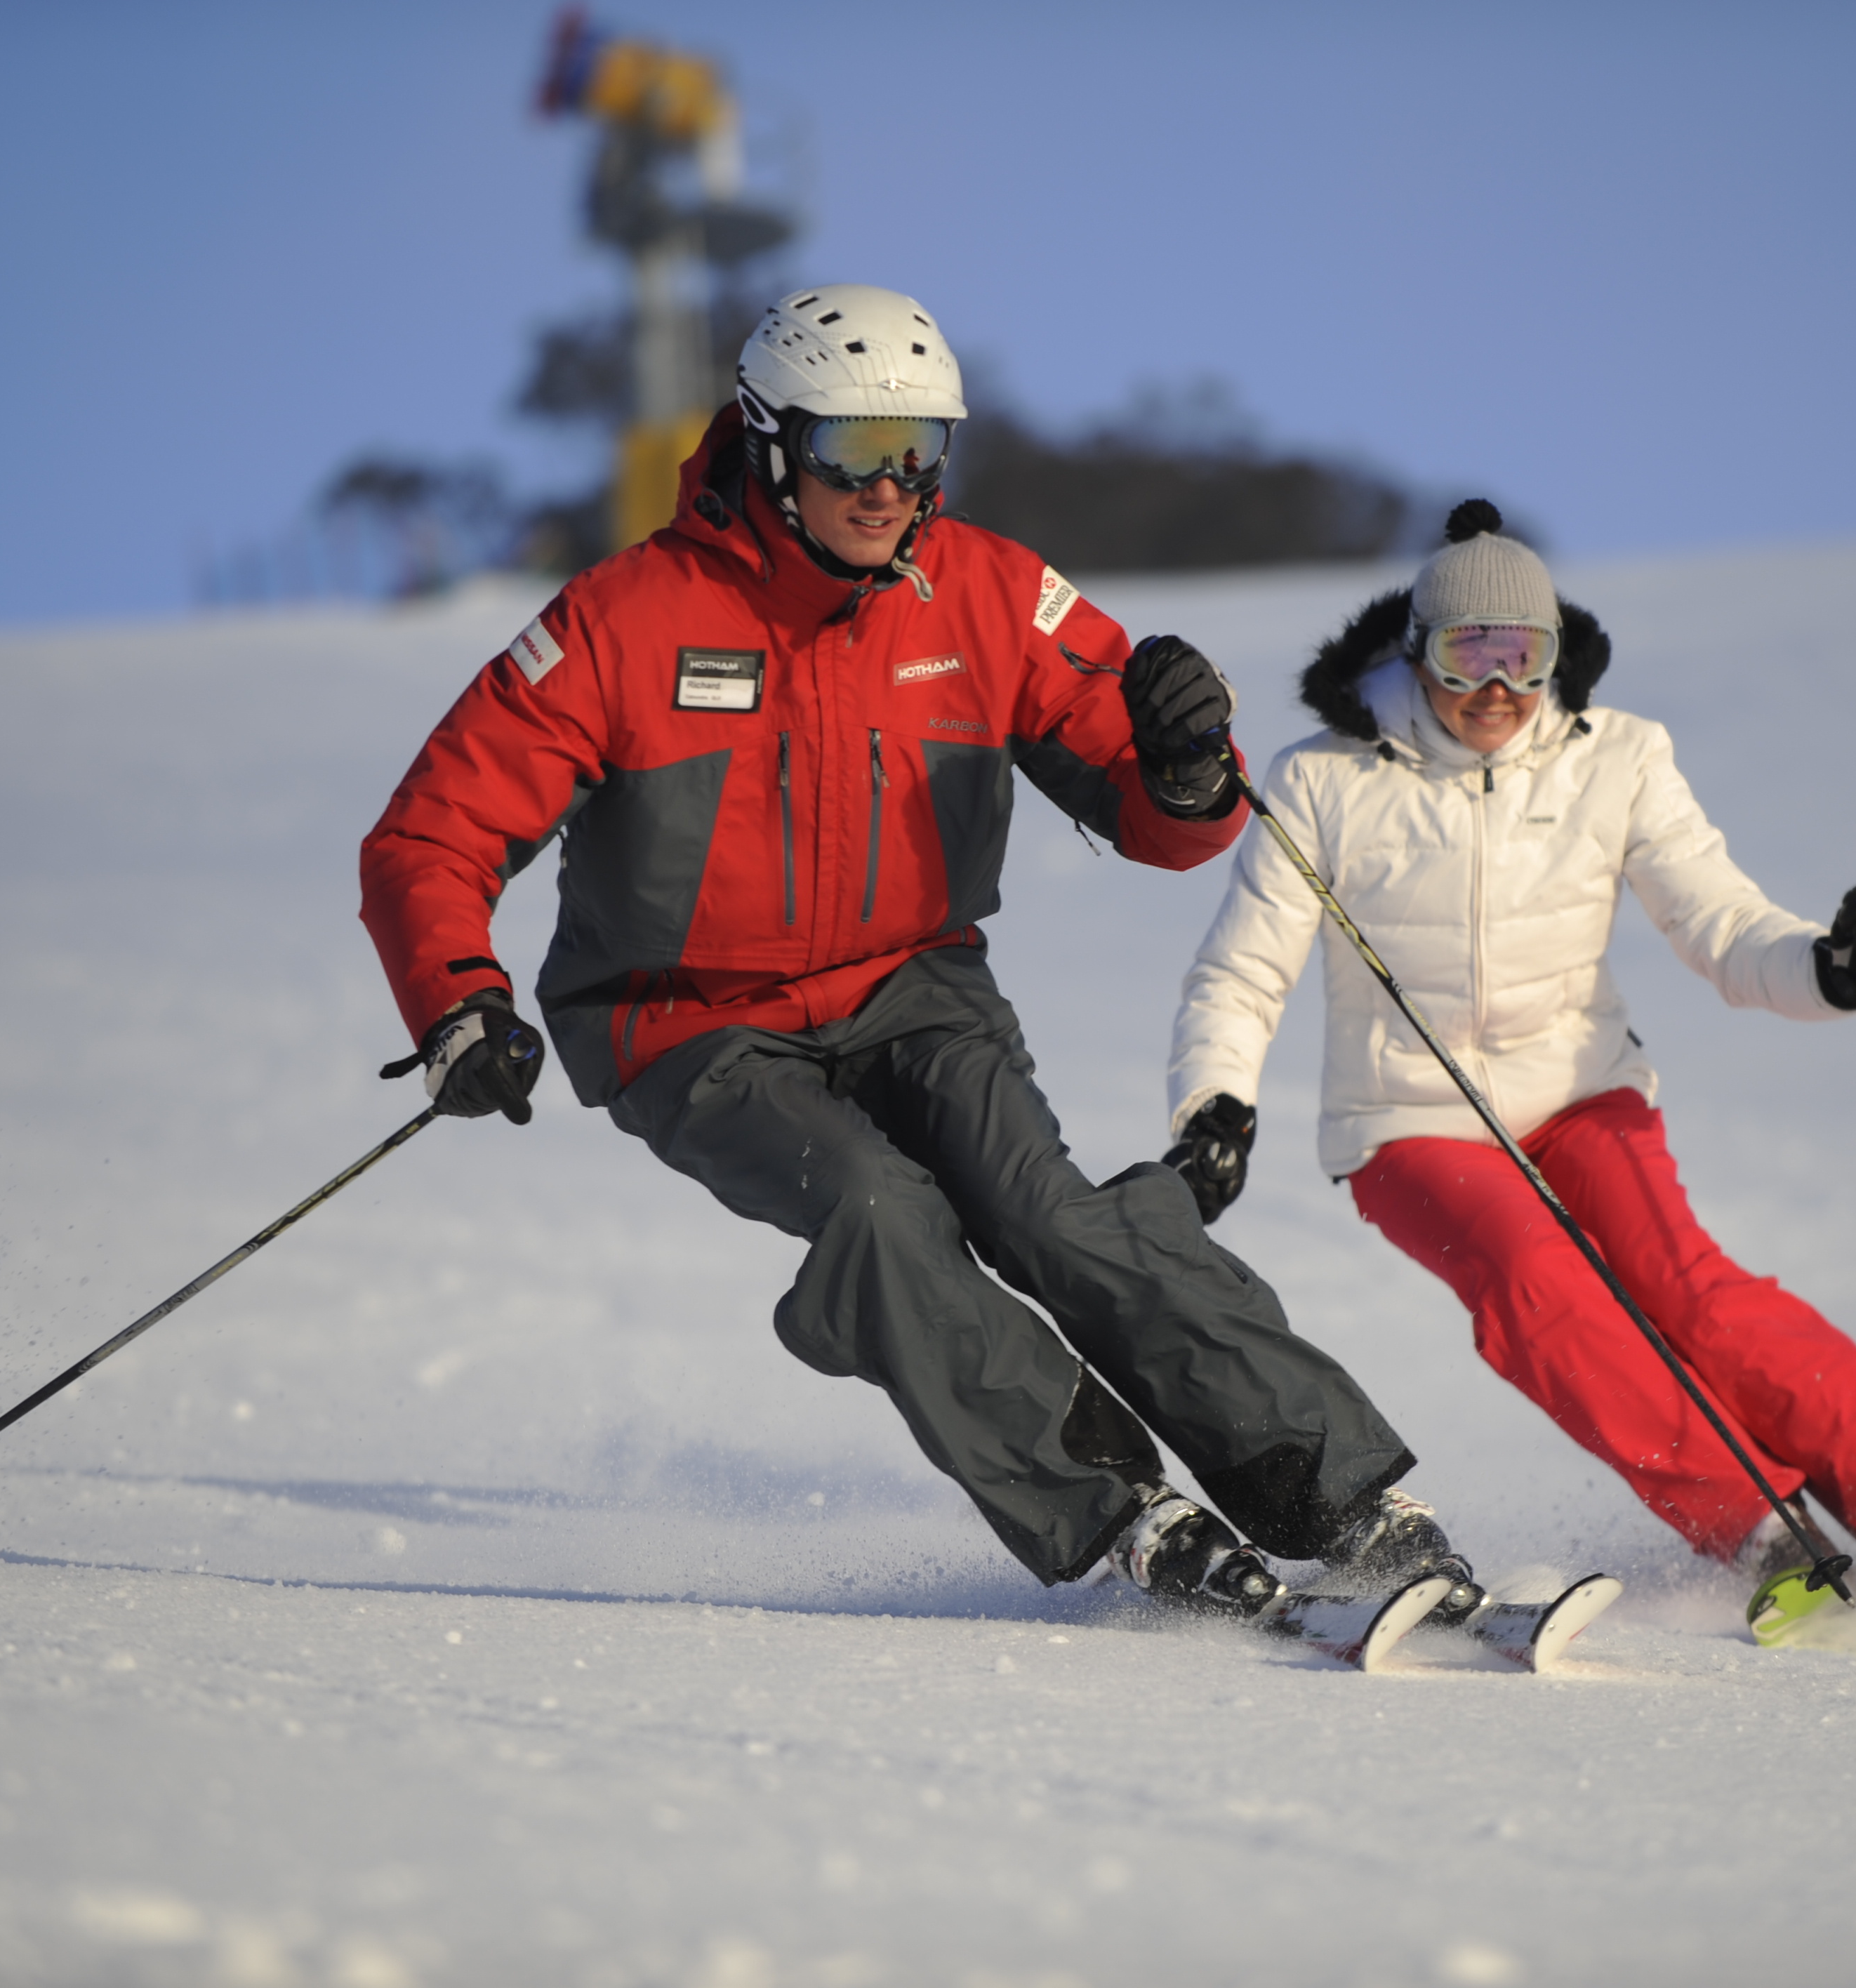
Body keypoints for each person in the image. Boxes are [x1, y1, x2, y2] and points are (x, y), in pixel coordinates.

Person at [359, 284, 1465, 1619]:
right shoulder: (622, 623)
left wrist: (1182, 769)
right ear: (771, 445)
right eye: (851, 453)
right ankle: (1120, 1512)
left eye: (920, 450)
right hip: (690, 1023)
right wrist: (459, 1003)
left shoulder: (988, 597)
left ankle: (1340, 1501)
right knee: (882, 1218)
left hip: (915, 988)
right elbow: (430, 837)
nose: (890, 489)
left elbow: (1155, 816)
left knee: (1054, 1216)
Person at [1163, 500, 1856, 1618]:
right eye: (1465, 654)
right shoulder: (1322, 780)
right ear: (1413, 648)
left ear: (1555, 659)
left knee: (1697, 1300)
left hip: (1581, 1095)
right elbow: (1242, 974)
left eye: (1522, 658)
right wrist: (1217, 1107)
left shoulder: (1617, 759)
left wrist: (1830, 970)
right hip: (1409, 1118)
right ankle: (1762, 1532)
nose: (1495, 690)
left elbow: (1722, 925)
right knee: (1541, 1289)